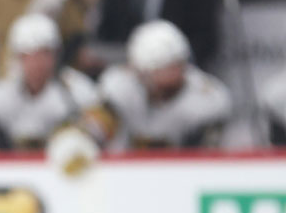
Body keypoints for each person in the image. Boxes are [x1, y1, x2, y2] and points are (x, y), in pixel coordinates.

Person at [91, 20, 232, 150]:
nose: (172, 73)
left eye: (176, 65)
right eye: (157, 69)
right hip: (124, 171)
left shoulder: (207, 99)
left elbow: (207, 160)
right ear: (138, 71)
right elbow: (91, 134)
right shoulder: (119, 85)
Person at [0, 13, 102, 150]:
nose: (38, 62)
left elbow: (99, 138)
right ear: (17, 57)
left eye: (45, 53)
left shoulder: (79, 91)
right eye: (29, 55)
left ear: (56, 55)